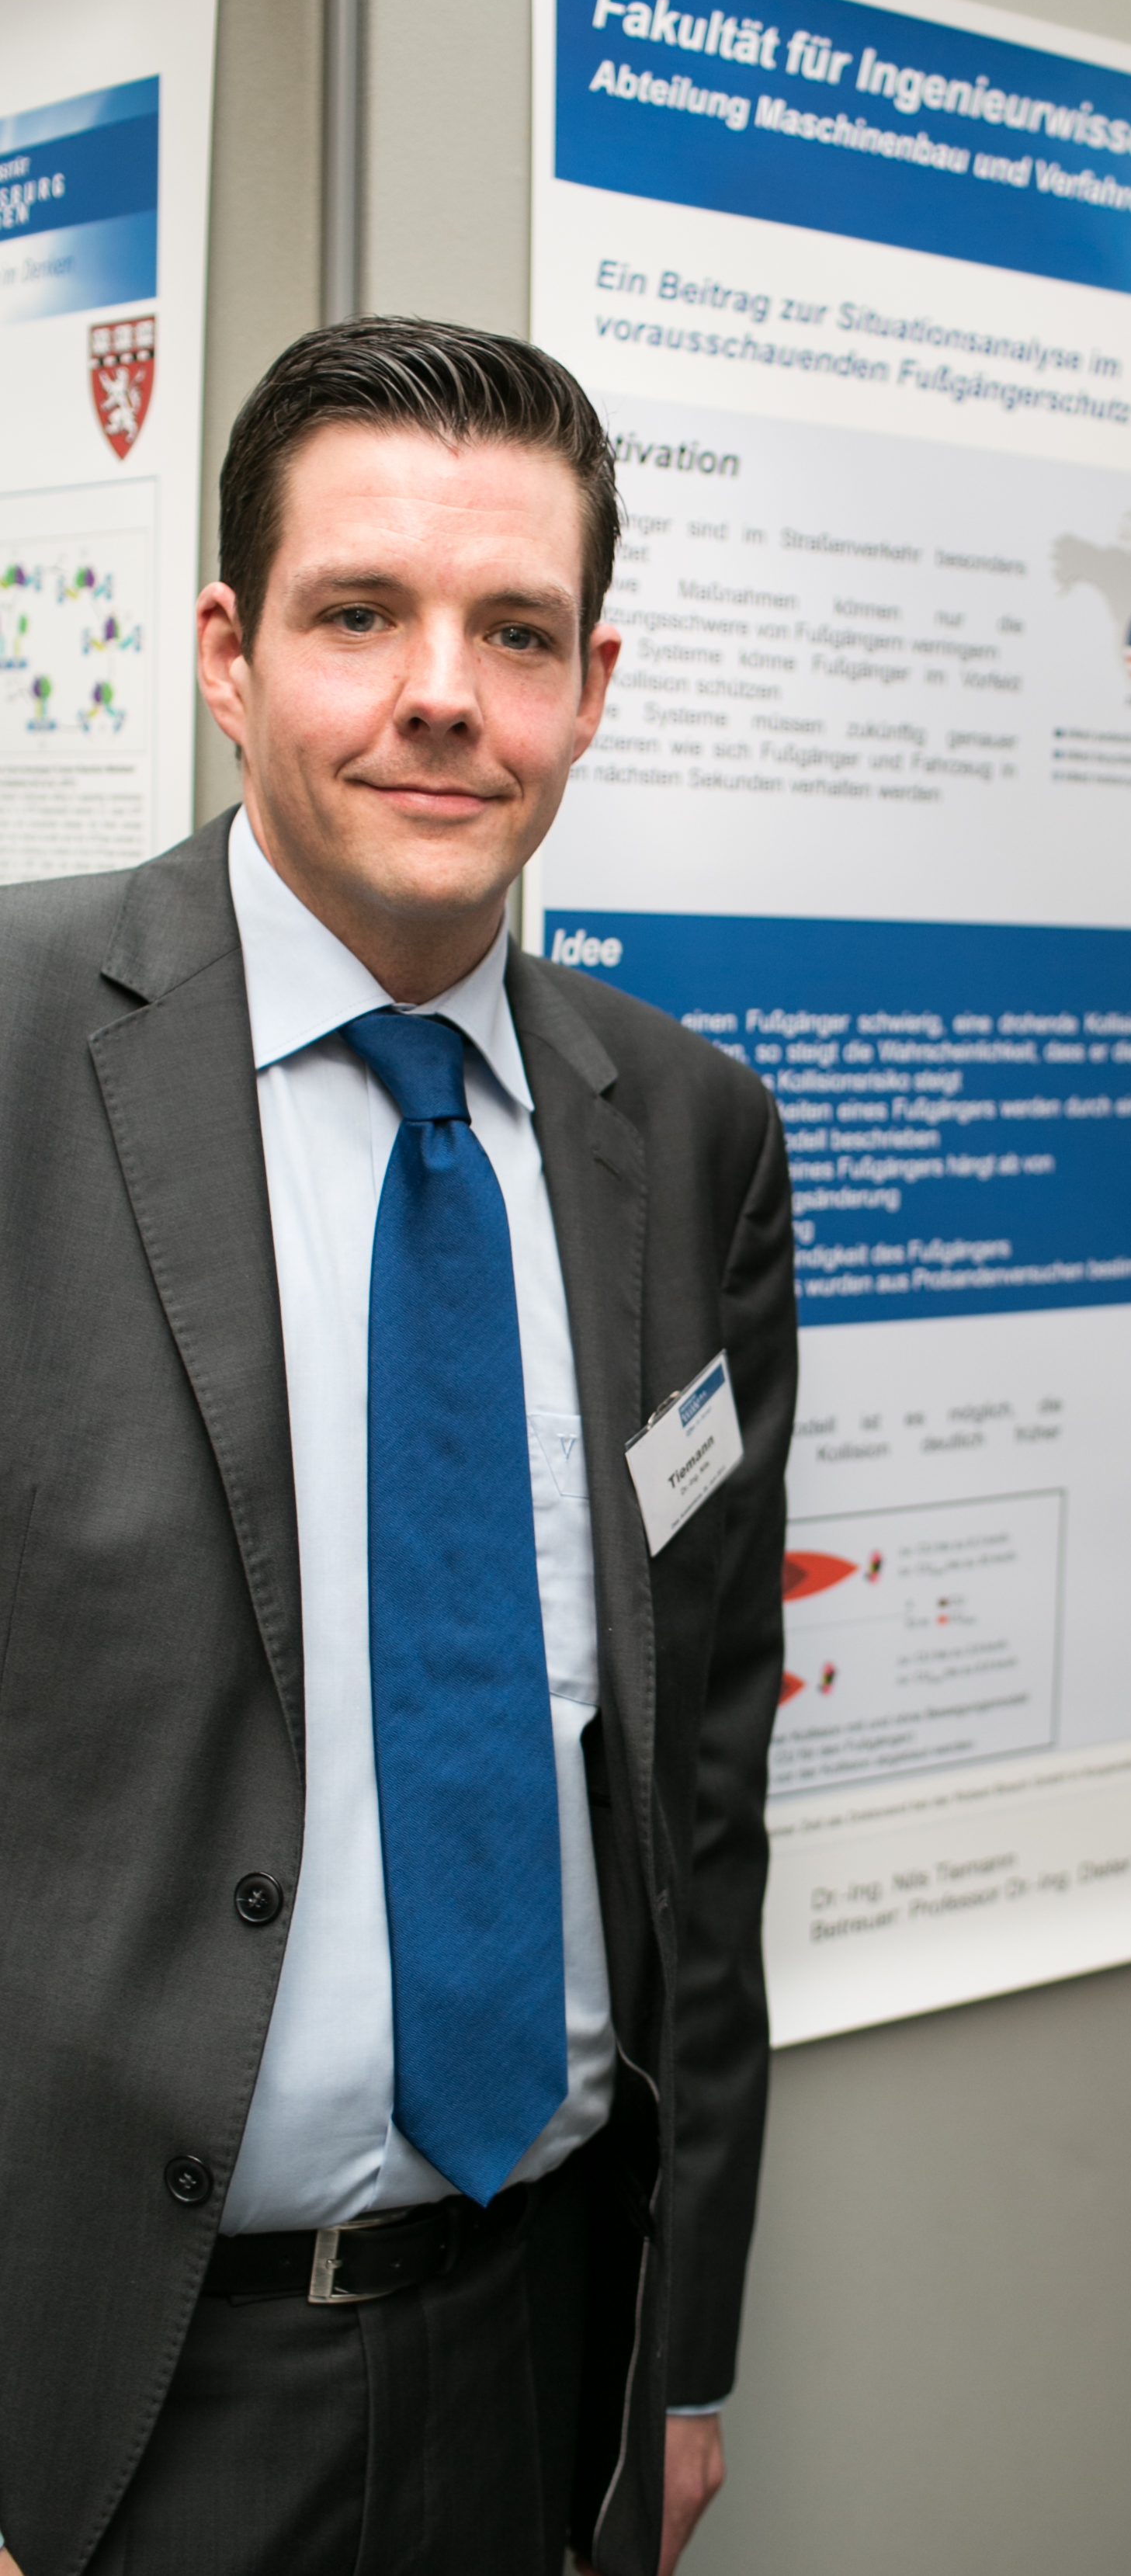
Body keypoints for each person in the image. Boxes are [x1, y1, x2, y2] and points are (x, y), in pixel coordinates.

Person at [0, 318, 796, 2576]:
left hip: (528, 2349)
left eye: (514, 631)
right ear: (227, 654)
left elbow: (705, 1791)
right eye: (361, 611)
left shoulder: (688, 1133)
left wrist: (682, 2353)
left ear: (590, 685)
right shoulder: (17, 1051)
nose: (445, 692)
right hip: (97, 2388)